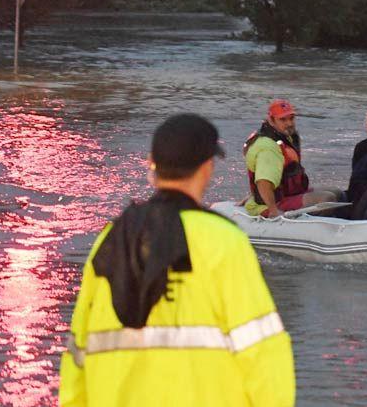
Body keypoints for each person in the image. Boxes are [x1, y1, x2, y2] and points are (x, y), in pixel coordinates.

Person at [59, 114, 295, 406]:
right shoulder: (223, 241)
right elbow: (263, 353)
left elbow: (77, 354)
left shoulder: (111, 238)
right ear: (207, 168)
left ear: (151, 164)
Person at [244, 99, 341, 218]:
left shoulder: (286, 136)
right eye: (283, 119)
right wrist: (273, 211)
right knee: (327, 199)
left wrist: (252, 195)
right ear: (271, 120)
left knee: (337, 192)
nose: (289, 123)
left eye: (291, 118)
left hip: (289, 194)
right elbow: (263, 182)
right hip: (274, 203)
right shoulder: (268, 147)